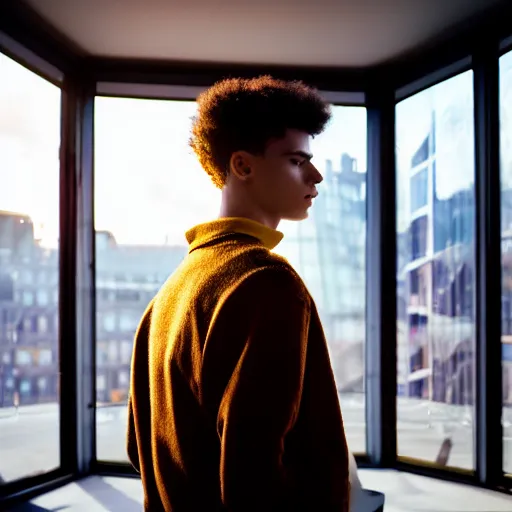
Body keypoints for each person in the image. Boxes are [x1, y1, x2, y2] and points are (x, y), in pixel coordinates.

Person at [127, 75, 350, 511]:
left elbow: (140, 450)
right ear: (243, 166)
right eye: (296, 160)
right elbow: (253, 471)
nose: (316, 175)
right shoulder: (267, 282)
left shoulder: (170, 291)